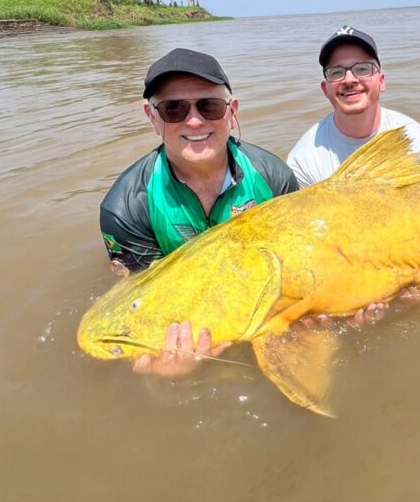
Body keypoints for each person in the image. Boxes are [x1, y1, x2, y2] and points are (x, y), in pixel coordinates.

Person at [100, 48, 298, 375]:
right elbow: (138, 304)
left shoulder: (273, 177)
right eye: (174, 109)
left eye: (210, 106)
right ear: (152, 117)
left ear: (231, 112)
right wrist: (160, 372)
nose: (194, 120)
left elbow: (295, 267)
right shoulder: (125, 209)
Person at [287, 25, 420, 188]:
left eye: (362, 69)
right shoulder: (303, 160)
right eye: (336, 72)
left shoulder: (418, 142)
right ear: (325, 89)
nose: (349, 80)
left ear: (382, 81)